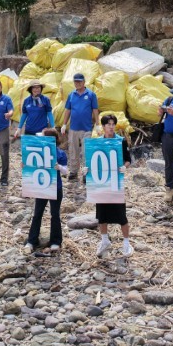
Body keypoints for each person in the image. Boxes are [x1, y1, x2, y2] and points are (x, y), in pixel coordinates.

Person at [86, 113, 132, 258]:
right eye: (108, 125)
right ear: (103, 127)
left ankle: (126, 243)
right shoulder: (97, 142)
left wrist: (124, 167)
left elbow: (128, 159)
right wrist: (87, 170)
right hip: (101, 183)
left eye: (113, 124)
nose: (111, 127)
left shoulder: (120, 141)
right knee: (102, 215)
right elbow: (92, 161)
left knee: (121, 215)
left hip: (115, 183)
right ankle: (105, 240)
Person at [25, 128, 67, 253]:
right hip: (42, 187)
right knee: (37, 214)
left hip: (55, 187)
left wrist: (59, 167)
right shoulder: (38, 152)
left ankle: (56, 241)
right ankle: (32, 240)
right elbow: (31, 164)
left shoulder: (60, 153)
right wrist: (25, 165)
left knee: (55, 214)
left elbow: (66, 171)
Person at [63, 73, 99, 183]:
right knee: (73, 150)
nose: (78, 83)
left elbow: (95, 110)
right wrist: (64, 124)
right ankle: (73, 172)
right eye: (76, 81)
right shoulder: (71, 95)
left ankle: (85, 173)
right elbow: (68, 110)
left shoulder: (91, 95)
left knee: (85, 152)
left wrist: (97, 125)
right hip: (73, 128)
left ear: (84, 82)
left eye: (80, 81)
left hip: (86, 128)